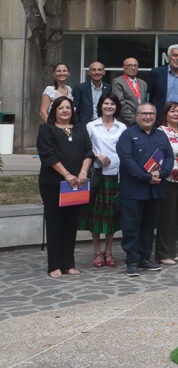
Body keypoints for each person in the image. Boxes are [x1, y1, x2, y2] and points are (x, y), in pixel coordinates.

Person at [37, 96, 94, 277]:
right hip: (53, 184)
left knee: (71, 223)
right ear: (54, 111)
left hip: (77, 184)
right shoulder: (46, 129)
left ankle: (68, 263)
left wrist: (83, 172)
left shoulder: (80, 129)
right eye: (60, 107)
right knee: (55, 223)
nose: (64, 110)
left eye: (68, 107)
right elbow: (48, 154)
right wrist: (67, 174)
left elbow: (89, 151)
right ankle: (54, 265)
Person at [116, 103, 173, 277]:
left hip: (155, 190)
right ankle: (132, 261)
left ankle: (145, 258)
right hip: (134, 190)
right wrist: (147, 177)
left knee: (149, 226)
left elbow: (169, 157)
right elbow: (127, 160)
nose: (148, 117)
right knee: (131, 227)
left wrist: (162, 174)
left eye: (151, 114)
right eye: (144, 113)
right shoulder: (127, 135)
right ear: (137, 116)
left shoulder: (161, 135)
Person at [82, 93, 125, 268]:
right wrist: (97, 155)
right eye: (106, 103)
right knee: (96, 215)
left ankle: (108, 251)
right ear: (100, 106)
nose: (109, 106)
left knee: (111, 216)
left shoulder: (122, 127)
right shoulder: (91, 126)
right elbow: (85, 148)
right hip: (98, 175)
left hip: (116, 175)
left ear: (116, 107)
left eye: (112, 104)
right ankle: (97, 252)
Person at [155, 102, 178, 264]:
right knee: (166, 216)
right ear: (166, 114)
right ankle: (162, 254)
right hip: (169, 178)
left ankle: (171, 251)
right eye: (172, 111)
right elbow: (160, 156)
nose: (176, 114)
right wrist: (174, 169)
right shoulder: (161, 132)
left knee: (177, 215)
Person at [147, 44, 178, 114]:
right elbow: (150, 96)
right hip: (160, 115)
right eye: (175, 55)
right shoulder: (156, 73)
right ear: (168, 58)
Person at [112, 57, 149, 126]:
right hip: (125, 122)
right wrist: (135, 120)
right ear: (124, 67)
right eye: (130, 65)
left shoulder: (143, 83)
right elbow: (120, 104)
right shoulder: (118, 82)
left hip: (142, 121)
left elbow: (145, 102)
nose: (133, 68)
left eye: (135, 66)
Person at [73, 61, 110, 125]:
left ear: (104, 72)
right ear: (89, 72)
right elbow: (75, 109)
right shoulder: (80, 88)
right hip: (85, 125)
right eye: (94, 70)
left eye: (99, 70)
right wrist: (78, 125)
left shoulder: (108, 88)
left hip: (104, 123)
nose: (97, 72)